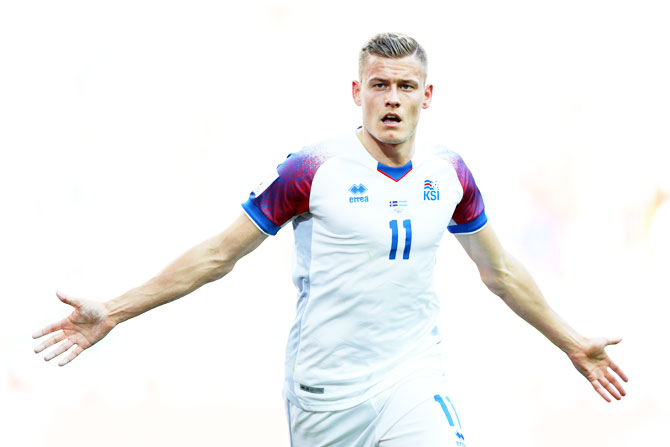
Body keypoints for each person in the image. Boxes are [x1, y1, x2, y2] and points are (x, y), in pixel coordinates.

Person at [33, 32, 627, 446]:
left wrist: (572, 342)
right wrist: (112, 311)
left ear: (427, 95)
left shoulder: (450, 173)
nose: (391, 98)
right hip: (325, 393)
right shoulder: (311, 169)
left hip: (412, 380)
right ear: (357, 92)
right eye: (379, 84)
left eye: (404, 85)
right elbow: (218, 255)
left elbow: (500, 272)